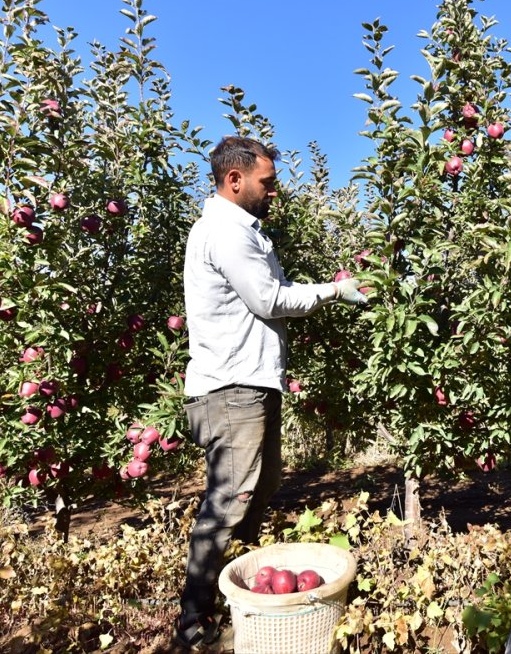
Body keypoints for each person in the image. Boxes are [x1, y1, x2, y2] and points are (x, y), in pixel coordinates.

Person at [174, 136, 368, 650]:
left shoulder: (240, 230)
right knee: (230, 504)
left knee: (255, 493)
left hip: (248, 385)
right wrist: (331, 290)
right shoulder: (225, 230)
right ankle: (195, 625)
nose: (273, 192)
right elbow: (268, 298)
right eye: (267, 182)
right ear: (234, 180)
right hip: (232, 388)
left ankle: (242, 602)